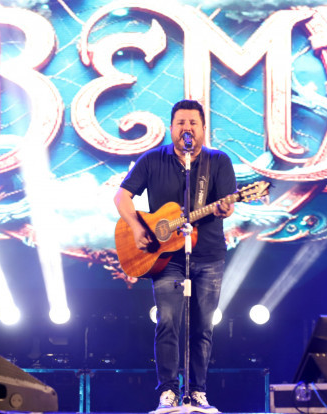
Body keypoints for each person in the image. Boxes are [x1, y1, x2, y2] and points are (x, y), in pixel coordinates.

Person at [114, 99, 236, 413]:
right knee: (167, 320)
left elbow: (228, 203)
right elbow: (122, 195)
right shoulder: (152, 159)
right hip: (166, 259)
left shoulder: (218, 162)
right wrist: (136, 227)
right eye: (181, 123)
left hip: (208, 255)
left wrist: (225, 208)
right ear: (171, 128)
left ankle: (198, 392)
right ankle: (168, 391)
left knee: (203, 326)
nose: (187, 128)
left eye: (193, 123)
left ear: (203, 128)